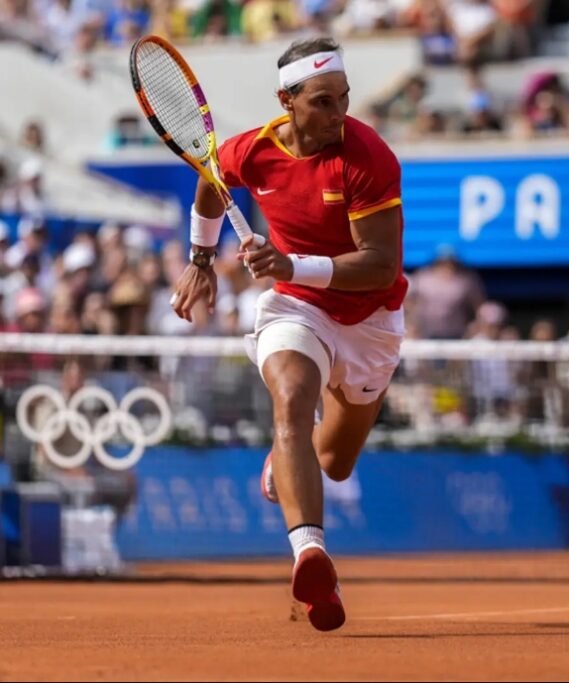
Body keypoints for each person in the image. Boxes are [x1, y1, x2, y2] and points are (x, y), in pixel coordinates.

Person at [170, 36, 407, 632]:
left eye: (344, 99)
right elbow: (209, 180)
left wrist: (289, 263)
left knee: (336, 458)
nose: (338, 115)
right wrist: (201, 261)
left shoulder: (368, 156)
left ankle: (289, 452)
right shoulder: (253, 151)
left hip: (369, 319)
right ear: (288, 101)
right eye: (323, 102)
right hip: (297, 308)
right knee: (292, 399)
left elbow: (381, 264)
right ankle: (310, 553)